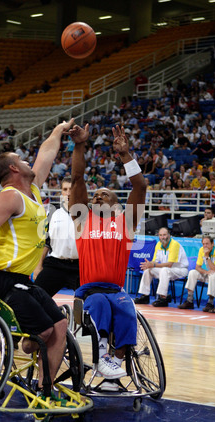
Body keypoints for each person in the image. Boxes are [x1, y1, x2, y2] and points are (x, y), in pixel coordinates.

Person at [0, 119, 75, 397]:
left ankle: (44, 387)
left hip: (23, 280)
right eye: (21, 159)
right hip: (2, 278)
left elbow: (46, 154)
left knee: (60, 325)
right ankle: (23, 344)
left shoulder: (33, 190)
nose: (28, 162)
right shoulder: (10, 197)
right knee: (46, 331)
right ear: (14, 168)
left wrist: (58, 130)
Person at [68, 123, 146, 388]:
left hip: (117, 289)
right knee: (100, 302)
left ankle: (114, 365)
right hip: (89, 292)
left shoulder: (126, 222)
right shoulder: (82, 219)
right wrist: (80, 145)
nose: (98, 196)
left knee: (126, 308)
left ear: (116, 204)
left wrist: (125, 155)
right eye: (96, 195)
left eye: (105, 194)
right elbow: (78, 179)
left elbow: (141, 187)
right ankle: (102, 357)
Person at [33, 176, 80, 297]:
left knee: (90, 301)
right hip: (56, 264)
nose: (68, 193)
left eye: (71, 189)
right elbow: (45, 242)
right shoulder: (53, 212)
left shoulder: (87, 212)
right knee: (36, 296)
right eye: (65, 189)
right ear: (61, 192)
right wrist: (38, 267)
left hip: (80, 267)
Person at [134, 227, 189, 307]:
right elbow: (155, 261)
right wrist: (149, 264)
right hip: (166, 270)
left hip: (180, 270)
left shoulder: (174, 245)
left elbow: (170, 264)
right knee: (148, 270)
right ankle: (144, 296)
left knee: (164, 270)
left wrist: (154, 265)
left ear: (169, 235)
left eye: (164, 235)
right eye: (160, 235)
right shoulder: (158, 244)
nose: (163, 237)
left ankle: (163, 298)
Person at [178, 236, 215, 312]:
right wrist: (206, 272)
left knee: (213, 274)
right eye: (203, 244)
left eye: (207, 244)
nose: (205, 246)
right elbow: (197, 267)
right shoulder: (201, 250)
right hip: (211, 274)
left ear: (212, 244)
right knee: (192, 272)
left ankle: (210, 303)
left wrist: (207, 257)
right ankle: (189, 300)